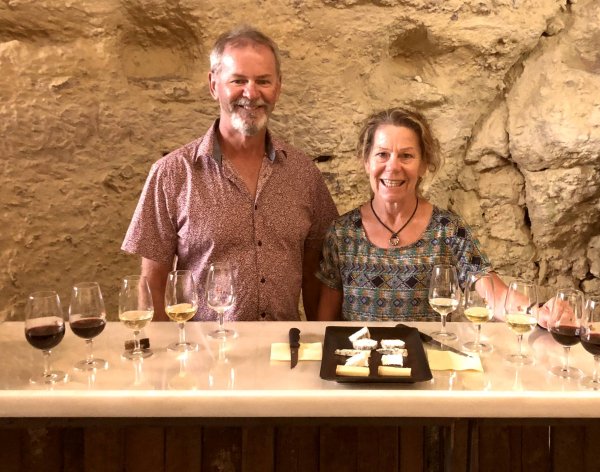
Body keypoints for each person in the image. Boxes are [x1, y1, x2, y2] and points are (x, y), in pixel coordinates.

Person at [122, 25, 337, 321]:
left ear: (278, 87)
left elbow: (316, 275)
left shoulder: (304, 174)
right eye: (238, 80)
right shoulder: (171, 174)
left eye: (263, 81)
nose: (251, 93)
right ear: (214, 85)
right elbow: (152, 283)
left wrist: (319, 347)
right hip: (203, 357)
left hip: (285, 355)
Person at [316, 107, 510, 322]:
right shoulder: (342, 233)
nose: (393, 166)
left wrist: (537, 312)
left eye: (406, 156)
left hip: (428, 355)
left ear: (424, 165)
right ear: (367, 162)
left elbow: (495, 294)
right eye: (382, 154)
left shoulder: (448, 229)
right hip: (360, 355)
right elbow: (325, 324)